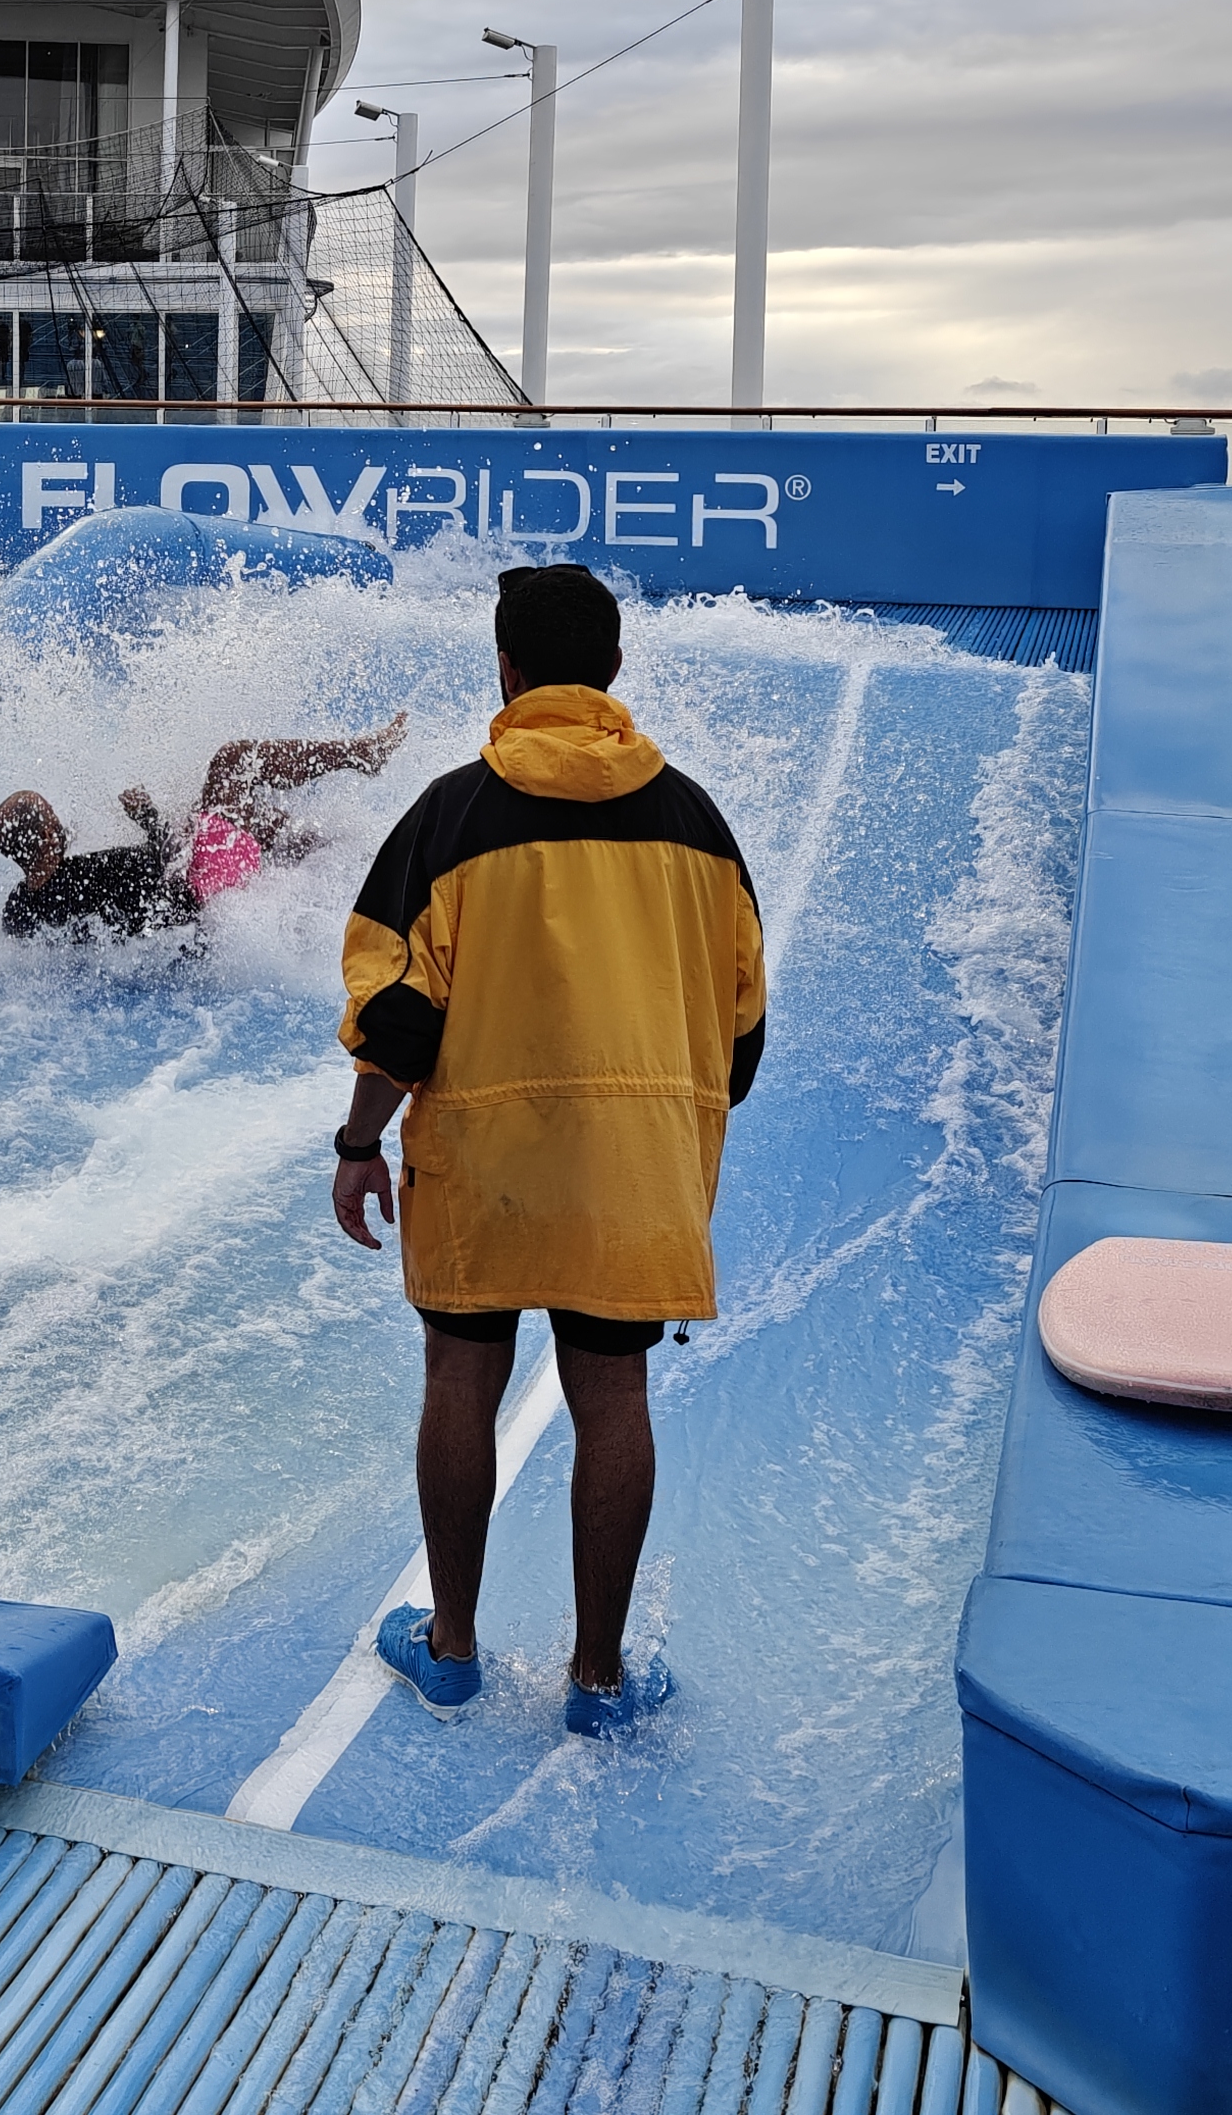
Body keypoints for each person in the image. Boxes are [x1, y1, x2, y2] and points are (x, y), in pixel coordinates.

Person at [330, 566, 766, 1739]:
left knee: (460, 1378)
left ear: (506, 671)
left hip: (485, 1160)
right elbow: (741, 1024)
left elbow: (400, 1018)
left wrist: (359, 1142)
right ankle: (599, 1680)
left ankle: (455, 1649)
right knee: (611, 1393)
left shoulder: (449, 816)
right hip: (634, 1169)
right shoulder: (697, 824)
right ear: (613, 673)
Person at [0, 714, 411, 940]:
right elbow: (168, 862)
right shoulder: (91, 874)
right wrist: (148, 818)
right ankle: (360, 755)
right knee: (233, 761)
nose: (62, 822)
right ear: (46, 837)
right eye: (53, 819)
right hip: (203, 891)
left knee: (224, 813)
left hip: (191, 888)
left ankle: (320, 849)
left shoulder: (19, 907)